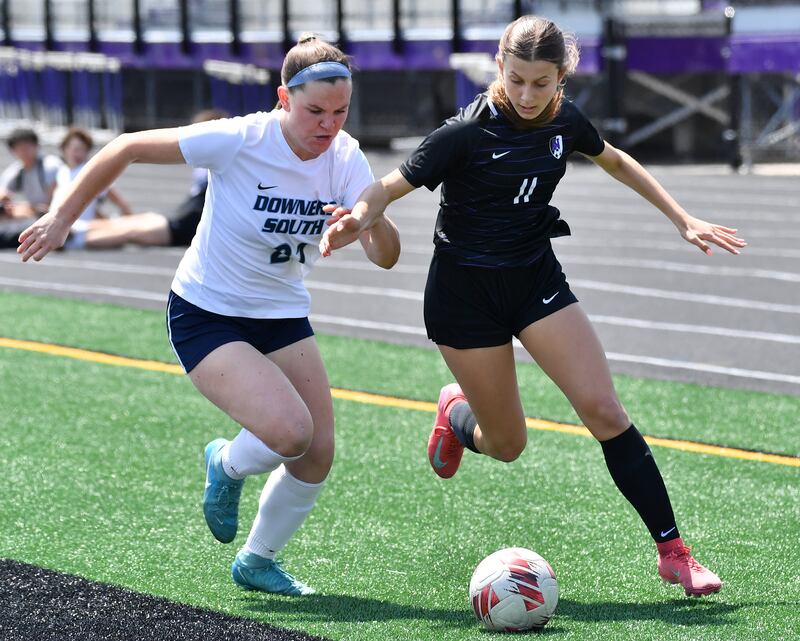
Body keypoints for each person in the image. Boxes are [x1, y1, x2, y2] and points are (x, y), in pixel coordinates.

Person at [320, 15, 746, 597]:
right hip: (464, 297)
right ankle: (458, 414)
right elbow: (389, 185)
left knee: (604, 410)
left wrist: (683, 218)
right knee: (508, 445)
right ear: (500, 65)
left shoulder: (565, 120)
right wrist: (359, 217)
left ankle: (673, 553)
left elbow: (615, 158)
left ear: (561, 78)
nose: (525, 94)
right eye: (516, 79)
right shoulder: (464, 133)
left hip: (533, 281)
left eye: (540, 83)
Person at [18, 34, 400, 596]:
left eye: (340, 112)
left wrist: (366, 221)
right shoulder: (241, 138)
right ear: (283, 99)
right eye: (314, 111)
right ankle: (224, 463)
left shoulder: (345, 154)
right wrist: (61, 217)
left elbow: (387, 257)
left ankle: (257, 561)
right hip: (207, 312)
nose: (327, 124)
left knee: (317, 454)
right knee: (291, 432)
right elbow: (124, 147)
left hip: (281, 315)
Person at [67, 110, 229, 250]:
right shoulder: (210, 164)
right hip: (183, 218)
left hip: (184, 227)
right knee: (135, 221)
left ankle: (76, 241)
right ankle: (75, 227)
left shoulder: (224, 161)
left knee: (131, 231)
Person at [54, 127, 133, 223]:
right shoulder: (62, 171)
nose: (78, 154)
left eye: (83, 150)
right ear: (65, 149)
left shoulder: (89, 172)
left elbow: (121, 203)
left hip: (79, 234)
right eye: (75, 149)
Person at [0, 127, 62, 220]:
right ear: (12, 151)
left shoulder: (51, 165)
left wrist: (30, 209)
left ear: (37, 146)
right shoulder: (14, 171)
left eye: (27, 147)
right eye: (20, 148)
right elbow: (3, 193)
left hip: (54, 215)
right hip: (32, 215)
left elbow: (55, 200)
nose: (24, 151)